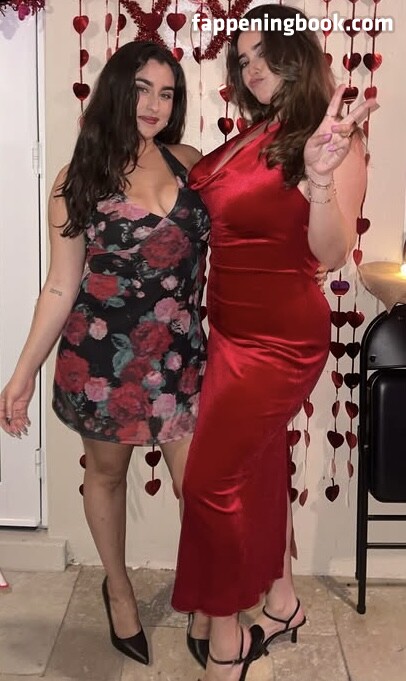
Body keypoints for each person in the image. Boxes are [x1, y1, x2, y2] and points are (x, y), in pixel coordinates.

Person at [171, 4, 378, 680]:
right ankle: (283, 604)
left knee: (209, 482)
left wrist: (319, 181)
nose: (251, 66)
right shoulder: (256, 133)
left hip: (279, 339)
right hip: (229, 330)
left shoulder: (330, 135)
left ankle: (227, 635)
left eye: (265, 52)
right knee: (256, 467)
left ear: (298, 54)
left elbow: (331, 251)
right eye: (243, 58)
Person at [0, 41, 210, 666]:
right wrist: (22, 374)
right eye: (142, 88)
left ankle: (205, 596)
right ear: (116, 89)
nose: (154, 104)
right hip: (102, 362)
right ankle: (118, 589)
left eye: (167, 93)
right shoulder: (78, 179)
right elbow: (61, 285)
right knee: (108, 475)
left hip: (181, 358)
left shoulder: (191, 163)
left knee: (199, 490)